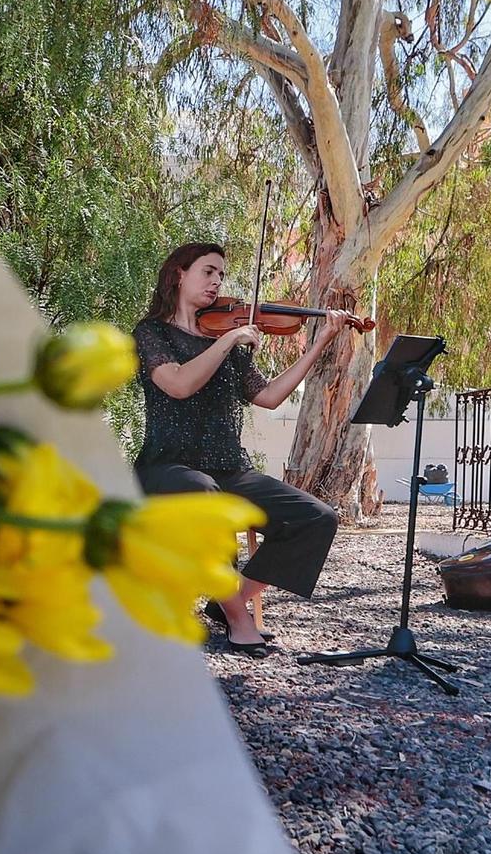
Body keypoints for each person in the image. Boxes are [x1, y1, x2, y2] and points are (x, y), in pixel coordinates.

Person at [132, 242, 363, 656]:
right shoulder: (152, 334)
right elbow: (179, 384)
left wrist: (321, 341)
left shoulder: (226, 338)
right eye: (208, 271)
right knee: (206, 495)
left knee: (316, 517)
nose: (217, 281)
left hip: (228, 467)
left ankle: (230, 599)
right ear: (178, 275)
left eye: (221, 274)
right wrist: (228, 340)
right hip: (167, 467)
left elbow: (270, 396)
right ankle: (241, 622)